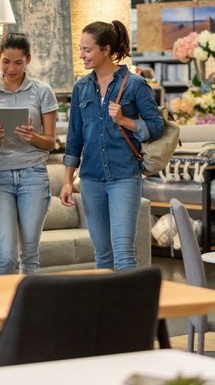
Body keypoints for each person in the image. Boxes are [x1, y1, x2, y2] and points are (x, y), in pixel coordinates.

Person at [61, 20, 164, 270]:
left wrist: (124, 120)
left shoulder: (135, 84)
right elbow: (74, 137)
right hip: (90, 179)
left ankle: (131, 309)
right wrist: (67, 180)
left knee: (124, 254)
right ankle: (105, 309)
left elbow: (157, 127)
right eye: (81, 49)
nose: (82, 55)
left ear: (105, 50)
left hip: (124, 176)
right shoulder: (81, 88)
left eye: (87, 50)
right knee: (102, 257)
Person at [0, 33, 57, 274]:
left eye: (18, 62)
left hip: (33, 175)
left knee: (29, 255)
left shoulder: (42, 91)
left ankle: (30, 311)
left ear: (28, 60)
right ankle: (5, 310)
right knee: (5, 256)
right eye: (5, 61)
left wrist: (33, 137)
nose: (11, 68)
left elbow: (51, 142)